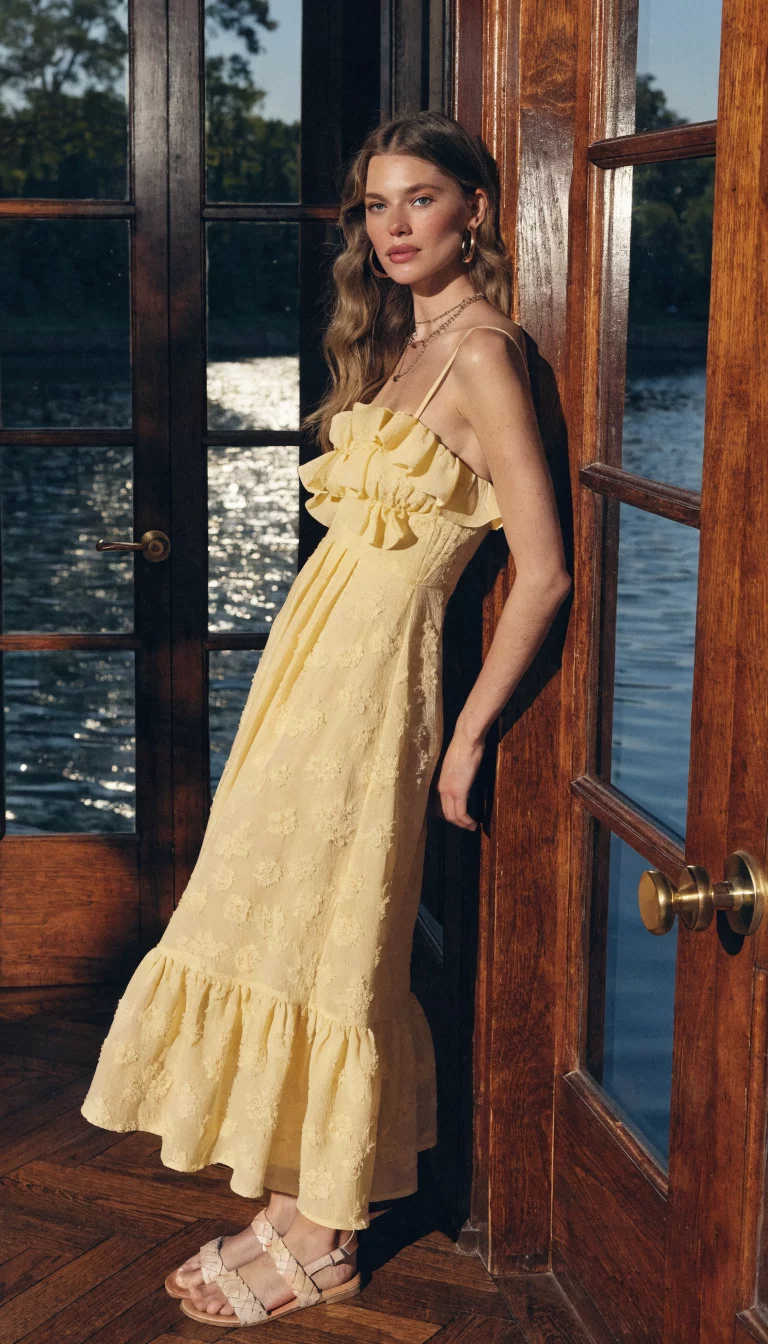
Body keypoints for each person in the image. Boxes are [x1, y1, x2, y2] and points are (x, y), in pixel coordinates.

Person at [80, 109, 571, 1328]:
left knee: (341, 934)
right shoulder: (407, 343)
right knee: (274, 915)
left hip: (377, 689)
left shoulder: (488, 356)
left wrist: (466, 737)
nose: (393, 226)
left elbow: (547, 567)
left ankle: (333, 1235)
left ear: (474, 210)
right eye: (375, 205)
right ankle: (301, 1195)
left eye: (420, 199)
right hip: (308, 672)